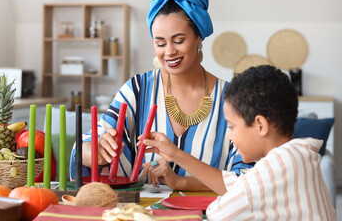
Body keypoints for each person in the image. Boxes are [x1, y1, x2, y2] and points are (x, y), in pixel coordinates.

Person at [70, 0, 253, 191]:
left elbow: (247, 180)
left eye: (178, 40)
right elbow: (86, 145)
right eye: (160, 43)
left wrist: (181, 181)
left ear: (198, 37)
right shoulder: (137, 89)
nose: (169, 52)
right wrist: (95, 151)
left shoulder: (231, 99)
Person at [143, 65, 336, 220]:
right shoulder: (296, 156)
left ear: (260, 125)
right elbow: (235, 185)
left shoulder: (273, 169)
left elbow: (217, 214)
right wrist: (176, 154)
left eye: (232, 126)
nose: (229, 135)